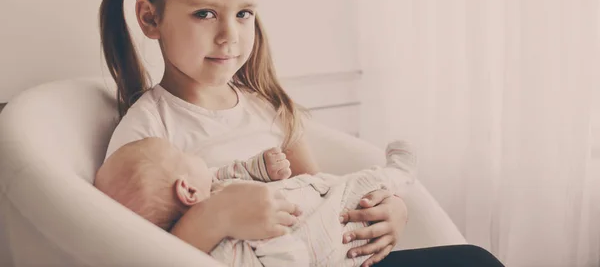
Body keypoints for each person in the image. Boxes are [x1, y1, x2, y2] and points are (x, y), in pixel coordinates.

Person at [98, 0, 505, 267]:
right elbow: (141, 256)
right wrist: (216, 217)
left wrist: (387, 212)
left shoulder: (266, 108)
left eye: (243, 14)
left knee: (475, 260)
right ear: (150, 17)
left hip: (325, 255)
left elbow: (321, 193)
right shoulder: (148, 132)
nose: (229, 35)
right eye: (205, 13)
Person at [94, 137, 417, 266]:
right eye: (182, 155)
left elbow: (230, 171)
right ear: (187, 191)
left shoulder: (212, 186)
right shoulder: (226, 250)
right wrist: (280, 238)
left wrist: (260, 166)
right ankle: (399, 173)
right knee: (358, 188)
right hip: (333, 236)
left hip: (313, 192)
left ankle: (394, 182)